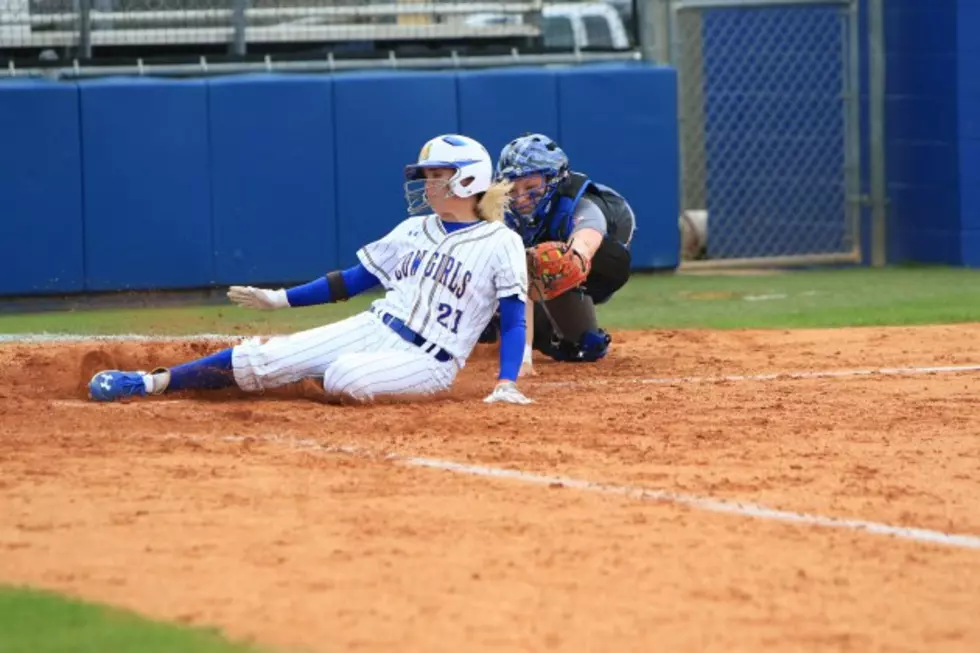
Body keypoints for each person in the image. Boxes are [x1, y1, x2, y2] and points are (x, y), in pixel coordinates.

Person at [88, 134, 533, 406]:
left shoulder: (501, 242)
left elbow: (513, 319)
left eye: (438, 174)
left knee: (346, 377)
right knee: (259, 356)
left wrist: (507, 382)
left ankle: (306, 372)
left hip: (428, 361)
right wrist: (279, 299)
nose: (427, 183)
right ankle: (150, 383)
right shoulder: (414, 228)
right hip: (373, 326)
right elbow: (355, 280)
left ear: (468, 180)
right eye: (427, 174)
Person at [480, 133, 635, 376]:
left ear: (555, 180)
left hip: (602, 259)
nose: (520, 197)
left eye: (531, 187)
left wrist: (571, 258)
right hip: (526, 272)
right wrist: (523, 356)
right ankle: (497, 324)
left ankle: (548, 320)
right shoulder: (500, 210)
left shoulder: (581, 204)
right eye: (512, 188)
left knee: (585, 344)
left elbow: (584, 244)